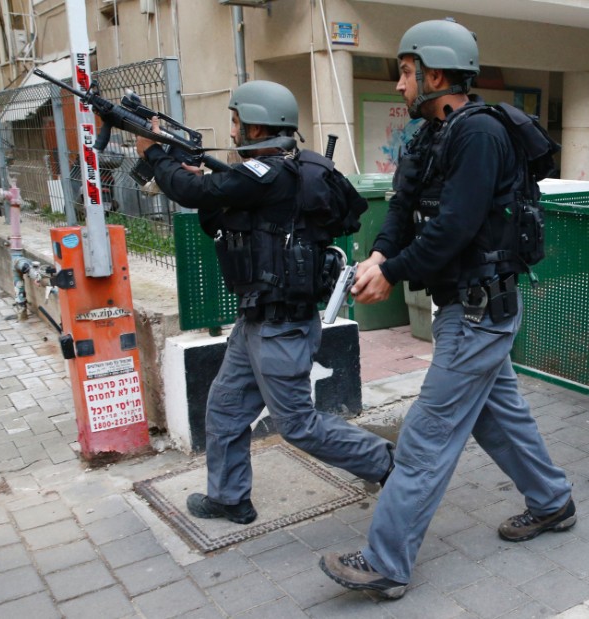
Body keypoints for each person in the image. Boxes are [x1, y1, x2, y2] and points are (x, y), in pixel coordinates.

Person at [318, 19, 574, 599]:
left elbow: (456, 225)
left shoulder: (479, 134)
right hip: (461, 307)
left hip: (480, 308)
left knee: (426, 436)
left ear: (435, 74)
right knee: (498, 416)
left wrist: (393, 271)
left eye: (407, 73)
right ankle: (553, 501)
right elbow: (403, 205)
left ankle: (386, 561)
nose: (401, 86)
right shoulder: (428, 136)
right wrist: (380, 254)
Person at [135, 81, 395, 525]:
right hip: (258, 321)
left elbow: (196, 193)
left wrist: (154, 153)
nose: (231, 130)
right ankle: (229, 496)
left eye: (236, 121)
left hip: (281, 326)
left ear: (256, 124)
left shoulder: (270, 173)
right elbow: (220, 208)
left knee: (297, 424)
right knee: (225, 407)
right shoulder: (271, 174)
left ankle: (391, 464)